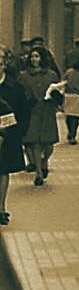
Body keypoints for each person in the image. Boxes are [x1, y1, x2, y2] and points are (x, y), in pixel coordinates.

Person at [19, 47, 62, 185]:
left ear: (42, 58)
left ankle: (44, 161)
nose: (34, 59)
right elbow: (20, 93)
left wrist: (55, 98)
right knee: (35, 142)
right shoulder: (24, 76)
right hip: (32, 112)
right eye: (32, 57)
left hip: (48, 111)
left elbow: (59, 92)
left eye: (37, 56)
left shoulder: (51, 75)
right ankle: (38, 173)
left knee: (48, 143)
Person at [0, 44, 30, 224]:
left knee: (3, 171)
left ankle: (1, 208)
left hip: (7, 136)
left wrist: (19, 132)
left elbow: (24, 111)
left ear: (4, 63)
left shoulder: (15, 87)